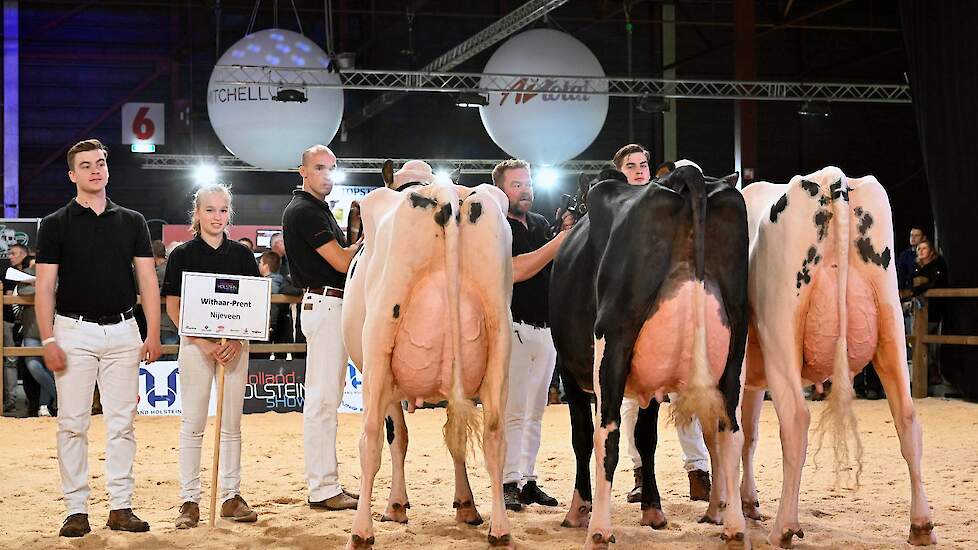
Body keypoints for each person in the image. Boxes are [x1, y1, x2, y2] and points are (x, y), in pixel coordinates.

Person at [35, 138, 162, 537]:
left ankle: (120, 507)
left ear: (108, 168)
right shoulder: (55, 224)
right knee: (72, 424)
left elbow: (147, 280)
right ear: (73, 175)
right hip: (72, 330)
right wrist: (48, 340)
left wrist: (153, 331)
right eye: (86, 165)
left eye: (101, 163)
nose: (95, 169)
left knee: (123, 423)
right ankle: (76, 510)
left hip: (125, 330)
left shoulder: (133, 221)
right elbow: (44, 287)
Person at [611, 144, 712, 503]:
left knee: (686, 392)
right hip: (633, 318)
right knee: (630, 402)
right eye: (631, 166)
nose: (639, 170)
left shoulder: (670, 200)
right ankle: (640, 475)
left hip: (672, 307)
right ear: (620, 171)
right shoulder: (616, 207)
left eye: (643, 164)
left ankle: (699, 473)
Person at [162, 184, 261, 528]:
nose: (217, 217)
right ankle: (189, 501)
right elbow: (173, 305)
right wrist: (202, 343)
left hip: (235, 347)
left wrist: (235, 339)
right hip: (195, 347)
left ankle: (231, 496)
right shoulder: (182, 255)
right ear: (197, 213)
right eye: (210, 210)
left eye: (222, 210)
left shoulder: (243, 256)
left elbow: (252, 304)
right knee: (193, 425)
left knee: (232, 424)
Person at [282, 144, 362, 511]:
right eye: (319, 168)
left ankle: (326, 483)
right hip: (326, 302)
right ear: (303, 171)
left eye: (331, 168)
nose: (327, 174)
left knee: (327, 397)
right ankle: (322, 488)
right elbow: (344, 263)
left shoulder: (316, 209)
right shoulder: (305, 211)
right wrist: (367, 239)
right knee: (322, 400)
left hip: (331, 303)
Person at [493, 159, 572, 512]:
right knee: (513, 409)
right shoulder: (496, 226)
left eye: (528, 184)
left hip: (546, 327)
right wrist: (559, 243)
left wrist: (566, 236)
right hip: (514, 326)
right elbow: (516, 271)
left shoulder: (540, 224)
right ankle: (508, 482)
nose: (525, 190)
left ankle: (528, 479)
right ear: (501, 190)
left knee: (536, 411)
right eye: (517, 185)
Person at [9, 244, 58, 416]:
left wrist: (41, 288)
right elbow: (23, 291)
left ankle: (45, 406)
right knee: (33, 366)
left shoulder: (60, 270)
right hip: (31, 330)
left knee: (51, 367)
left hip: (54, 330)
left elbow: (60, 290)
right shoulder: (30, 271)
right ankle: (60, 397)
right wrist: (43, 288)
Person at [906, 240, 949, 389]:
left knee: (928, 342)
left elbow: (935, 283)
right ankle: (927, 376)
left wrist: (916, 290)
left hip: (935, 310)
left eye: (924, 248)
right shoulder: (917, 267)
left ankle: (934, 373)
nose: (921, 251)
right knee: (917, 341)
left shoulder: (938, 264)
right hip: (920, 311)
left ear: (931, 251)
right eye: (919, 249)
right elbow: (909, 282)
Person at [152, 240, 180, 358]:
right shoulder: (173, 269)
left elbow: (154, 294)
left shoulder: (158, 273)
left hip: (166, 321)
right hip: (175, 320)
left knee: (168, 356)